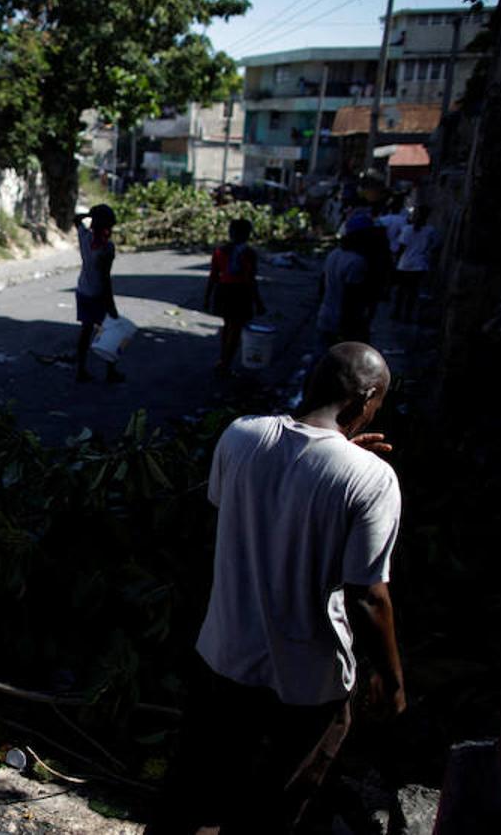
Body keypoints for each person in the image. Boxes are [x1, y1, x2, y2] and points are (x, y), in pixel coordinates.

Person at [148, 343, 405, 834]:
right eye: (378, 403)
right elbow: (368, 596)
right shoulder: (373, 480)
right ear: (365, 399)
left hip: (224, 656)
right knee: (274, 805)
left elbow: (244, 517)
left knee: (192, 789)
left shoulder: (240, 437)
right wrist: (391, 682)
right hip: (309, 683)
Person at [204, 218, 266, 375]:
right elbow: (250, 279)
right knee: (236, 330)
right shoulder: (249, 253)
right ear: (247, 234)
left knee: (227, 326)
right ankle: (225, 364)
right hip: (240, 292)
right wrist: (258, 302)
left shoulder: (220, 251)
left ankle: (222, 359)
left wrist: (207, 297)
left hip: (223, 291)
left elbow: (213, 276)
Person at [73, 204, 125, 383]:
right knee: (111, 331)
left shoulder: (85, 237)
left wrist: (89, 214)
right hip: (98, 294)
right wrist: (111, 305)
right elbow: (105, 278)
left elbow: (76, 219)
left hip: (83, 290)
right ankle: (111, 371)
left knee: (86, 331)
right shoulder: (106, 248)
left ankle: (81, 370)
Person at [316, 220, 372, 347]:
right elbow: (351, 297)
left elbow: (322, 285)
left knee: (321, 354)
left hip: (326, 314)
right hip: (342, 320)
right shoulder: (357, 261)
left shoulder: (334, 254)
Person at [390, 207, 439, 322]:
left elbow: (402, 247)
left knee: (401, 290)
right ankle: (407, 315)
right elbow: (435, 245)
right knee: (413, 292)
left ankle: (397, 313)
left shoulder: (407, 229)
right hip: (419, 264)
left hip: (405, 264)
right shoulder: (430, 231)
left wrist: (395, 262)